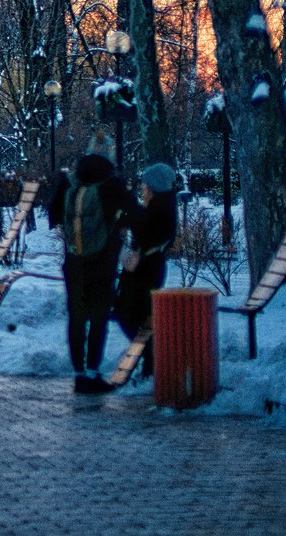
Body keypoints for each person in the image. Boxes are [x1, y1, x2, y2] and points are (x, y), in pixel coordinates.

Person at [49, 145, 140, 393]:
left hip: (73, 260)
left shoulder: (69, 184)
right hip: (102, 261)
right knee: (98, 317)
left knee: (76, 317)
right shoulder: (112, 186)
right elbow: (135, 214)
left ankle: (79, 374)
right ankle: (93, 372)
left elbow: (53, 216)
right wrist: (120, 225)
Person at [114, 162, 179, 368]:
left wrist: (129, 206)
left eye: (145, 185)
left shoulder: (160, 208)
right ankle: (151, 360)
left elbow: (143, 230)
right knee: (135, 315)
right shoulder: (161, 205)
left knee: (131, 314)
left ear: (153, 187)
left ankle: (152, 359)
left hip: (145, 271)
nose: (143, 189)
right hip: (146, 269)